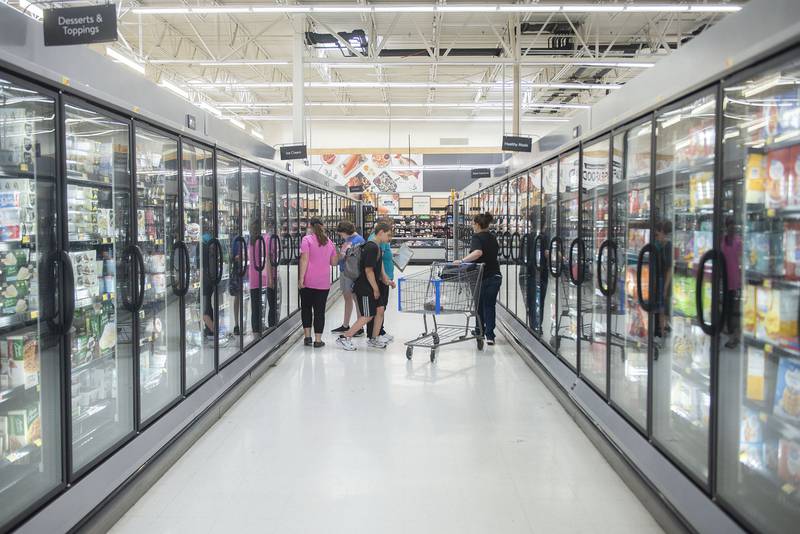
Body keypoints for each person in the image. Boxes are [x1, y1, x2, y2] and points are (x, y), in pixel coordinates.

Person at [336, 221, 395, 351]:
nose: (389, 238)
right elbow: (368, 271)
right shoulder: (371, 247)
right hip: (365, 287)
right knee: (368, 315)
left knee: (380, 310)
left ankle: (374, 338)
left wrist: (387, 280)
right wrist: (375, 289)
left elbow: (379, 267)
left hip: (373, 285)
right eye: (388, 235)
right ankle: (345, 337)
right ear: (380, 233)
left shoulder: (378, 246)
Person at [456, 213, 501, 345]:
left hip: (481, 277)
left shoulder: (477, 237)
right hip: (495, 276)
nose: (472, 226)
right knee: (489, 305)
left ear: (477, 224)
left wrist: (462, 261)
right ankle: (490, 335)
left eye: (473, 223)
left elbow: (478, 253)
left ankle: (479, 330)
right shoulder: (493, 238)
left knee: (479, 306)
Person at [299, 217, 338, 348]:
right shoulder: (329, 242)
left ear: (310, 226)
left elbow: (304, 260)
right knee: (319, 311)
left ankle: (307, 337)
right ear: (323, 226)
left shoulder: (306, 240)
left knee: (306, 308)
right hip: (323, 282)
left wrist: (301, 279)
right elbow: (333, 263)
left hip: (308, 280)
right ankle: (318, 340)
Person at [330, 221, 365, 336]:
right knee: (348, 298)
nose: (341, 236)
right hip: (345, 272)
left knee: (356, 300)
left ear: (345, 232)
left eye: (341, 234)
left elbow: (343, 257)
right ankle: (346, 325)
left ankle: (359, 327)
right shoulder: (350, 240)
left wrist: (338, 253)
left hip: (352, 275)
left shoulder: (357, 241)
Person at [367, 218, 395, 343]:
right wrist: (384, 279)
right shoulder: (376, 242)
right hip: (381, 279)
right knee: (379, 308)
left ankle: (379, 331)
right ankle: (375, 333)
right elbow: (377, 263)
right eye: (389, 234)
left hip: (385, 277)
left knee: (382, 308)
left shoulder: (380, 240)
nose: (390, 238)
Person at [721, 216, 742, 349]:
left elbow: (741, 259)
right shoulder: (722, 241)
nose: (731, 228)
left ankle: (735, 336)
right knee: (727, 308)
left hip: (735, 280)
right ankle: (729, 333)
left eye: (733, 225)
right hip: (724, 279)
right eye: (729, 225)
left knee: (734, 309)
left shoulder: (738, 241)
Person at [247, 219, 268, 333]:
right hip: (260, 274)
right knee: (260, 302)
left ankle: (255, 326)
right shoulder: (260, 241)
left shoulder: (250, 241)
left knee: (254, 303)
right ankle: (260, 325)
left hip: (252, 275)